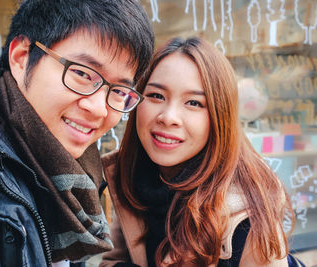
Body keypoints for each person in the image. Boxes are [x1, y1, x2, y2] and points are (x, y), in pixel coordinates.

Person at [0, 0, 154, 266]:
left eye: (119, 91)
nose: (100, 109)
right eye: (82, 73)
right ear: (21, 57)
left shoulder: (76, 175)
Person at [100, 37, 296, 267]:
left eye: (193, 103)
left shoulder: (245, 216)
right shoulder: (137, 176)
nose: (169, 117)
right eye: (156, 96)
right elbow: (114, 260)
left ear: (219, 116)